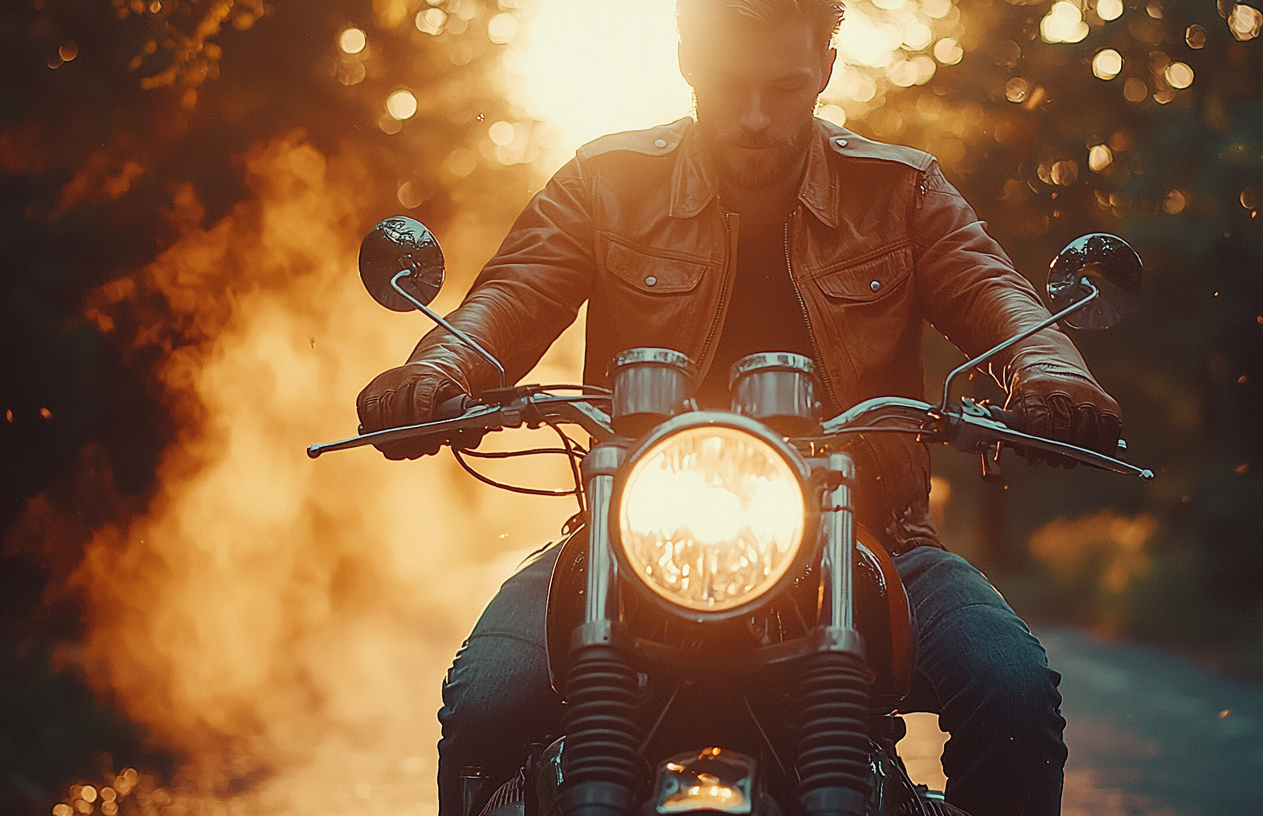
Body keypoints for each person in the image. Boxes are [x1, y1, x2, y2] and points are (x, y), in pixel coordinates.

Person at [356, 1, 1122, 814]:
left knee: (1014, 693)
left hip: (868, 535)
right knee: (485, 701)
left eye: (785, 86)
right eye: (730, 84)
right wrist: (437, 371)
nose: (756, 116)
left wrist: (1052, 374)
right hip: (629, 538)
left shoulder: (900, 190)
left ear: (825, 70)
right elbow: (510, 295)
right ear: (687, 60)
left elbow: (993, 291)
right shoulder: (605, 182)